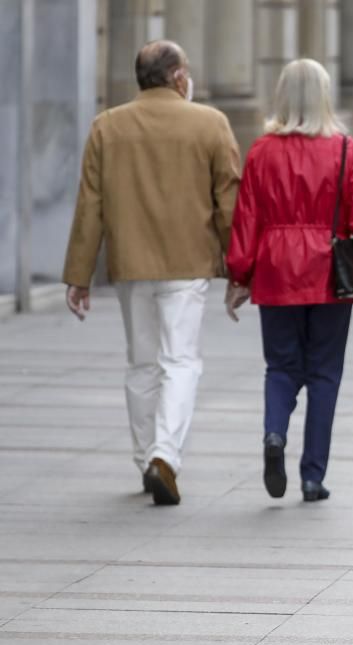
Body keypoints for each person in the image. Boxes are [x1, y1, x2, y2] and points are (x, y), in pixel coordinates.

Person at [61, 41, 241, 506]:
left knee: (141, 363)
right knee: (180, 361)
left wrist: (79, 275)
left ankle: (146, 458)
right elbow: (229, 204)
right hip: (187, 263)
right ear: (178, 76)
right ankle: (165, 455)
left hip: (131, 263)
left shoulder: (108, 126)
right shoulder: (210, 123)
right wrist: (240, 267)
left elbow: (91, 206)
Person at [225, 59, 353, 502]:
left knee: (280, 366)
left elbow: (246, 218)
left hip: (276, 269)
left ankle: (274, 434)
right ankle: (312, 475)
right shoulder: (344, 150)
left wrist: (239, 274)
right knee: (324, 373)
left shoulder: (262, 150)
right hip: (327, 272)